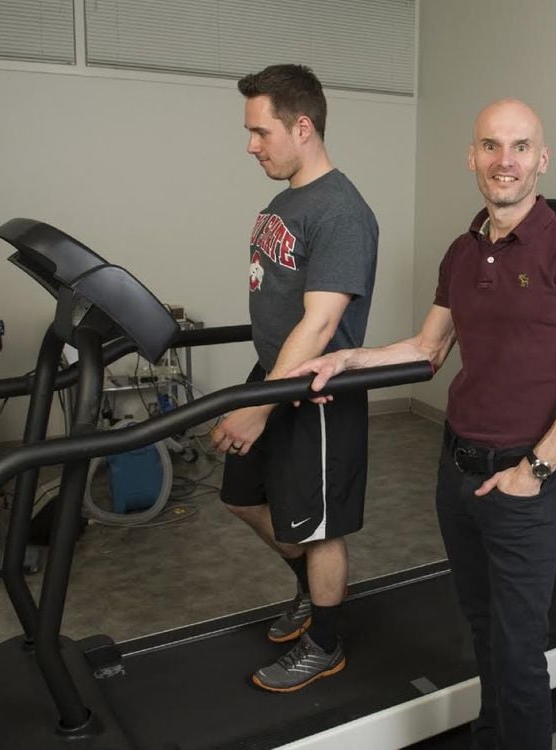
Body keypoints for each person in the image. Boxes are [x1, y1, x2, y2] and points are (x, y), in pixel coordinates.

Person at [287, 99, 556, 747]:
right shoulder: (461, 253)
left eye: (520, 147)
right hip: (457, 470)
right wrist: (347, 358)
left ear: (541, 159)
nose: (505, 161)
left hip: (523, 479)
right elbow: (428, 348)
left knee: (520, 654)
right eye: (491, 146)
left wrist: (536, 471)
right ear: (471, 157)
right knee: (480, 627)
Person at [211, 64, 379, 693]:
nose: (251, 145)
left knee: (319, 526)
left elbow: (321, 321)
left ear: (302, 126)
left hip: (317, 389)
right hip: (276, 373)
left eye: (261, 132)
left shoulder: (341, 210)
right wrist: (260, 389)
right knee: (240, 496)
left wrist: (261, 406)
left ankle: (326, 643)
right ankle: (312, 594)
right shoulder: (287, 201)